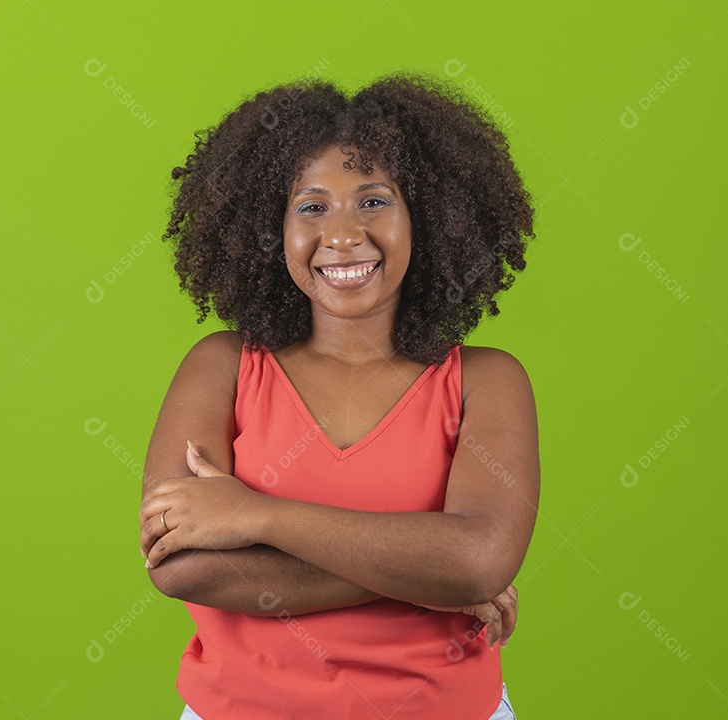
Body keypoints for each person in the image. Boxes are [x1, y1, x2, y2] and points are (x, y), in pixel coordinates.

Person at [139, 70, 539, 720]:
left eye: (374, 200)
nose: (344, 233)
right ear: (272, 227)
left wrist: (256, 517)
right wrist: (429, 582)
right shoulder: (221, 367)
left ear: (428, 217)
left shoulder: (487, 381)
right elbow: (182, 567)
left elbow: (479, 562)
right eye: (312, 206)